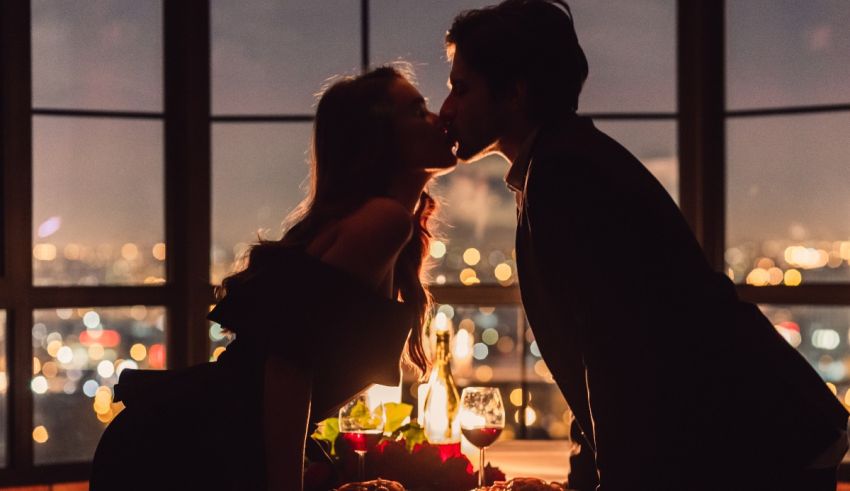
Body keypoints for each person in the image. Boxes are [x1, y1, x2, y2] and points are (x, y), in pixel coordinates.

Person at [439, 1, 849, 489]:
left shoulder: (564, 174)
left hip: (751, 443)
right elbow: (598, 355)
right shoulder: (563, 159)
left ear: (515, 93)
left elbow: (616, 355)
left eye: (461, 89)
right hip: (759, 431)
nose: (446, 109)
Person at [90, 65, 456, 490]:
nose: (437, 119)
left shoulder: (377, 222)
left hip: (191, 440)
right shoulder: (384, 221)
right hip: (187, 452)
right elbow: (289, 362)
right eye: (417, 110)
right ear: (378, 140)